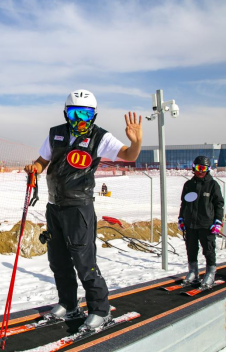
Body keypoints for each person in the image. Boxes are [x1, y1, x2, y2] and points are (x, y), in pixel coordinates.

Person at [24, 89, 142, 331]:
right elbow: (42, 160)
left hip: (79, 208)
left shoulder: (100, 138)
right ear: (66, 113)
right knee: (58, 259)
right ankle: (68, 303)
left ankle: (100, 308)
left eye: (86, 114)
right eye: (75, 112)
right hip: (54, 205)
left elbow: (129, 156)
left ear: (93, 116)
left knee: (83, 260)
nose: (80, 119)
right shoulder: (55, 134)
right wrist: (34, 168)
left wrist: (136, 141)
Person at [178, 156, 225, 289]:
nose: (200, 171)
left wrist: (217, 221)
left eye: (203, 169)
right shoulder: (188, 185)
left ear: (208, 169)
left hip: (206, 225)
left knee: (208, 250)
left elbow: (219, 205)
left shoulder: (213, 185)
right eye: (198, 168)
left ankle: (210, 273)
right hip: (190, 224)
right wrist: (181, 219)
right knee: (191, 249)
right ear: (193, 168)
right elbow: (184, 204)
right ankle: (193, 271)